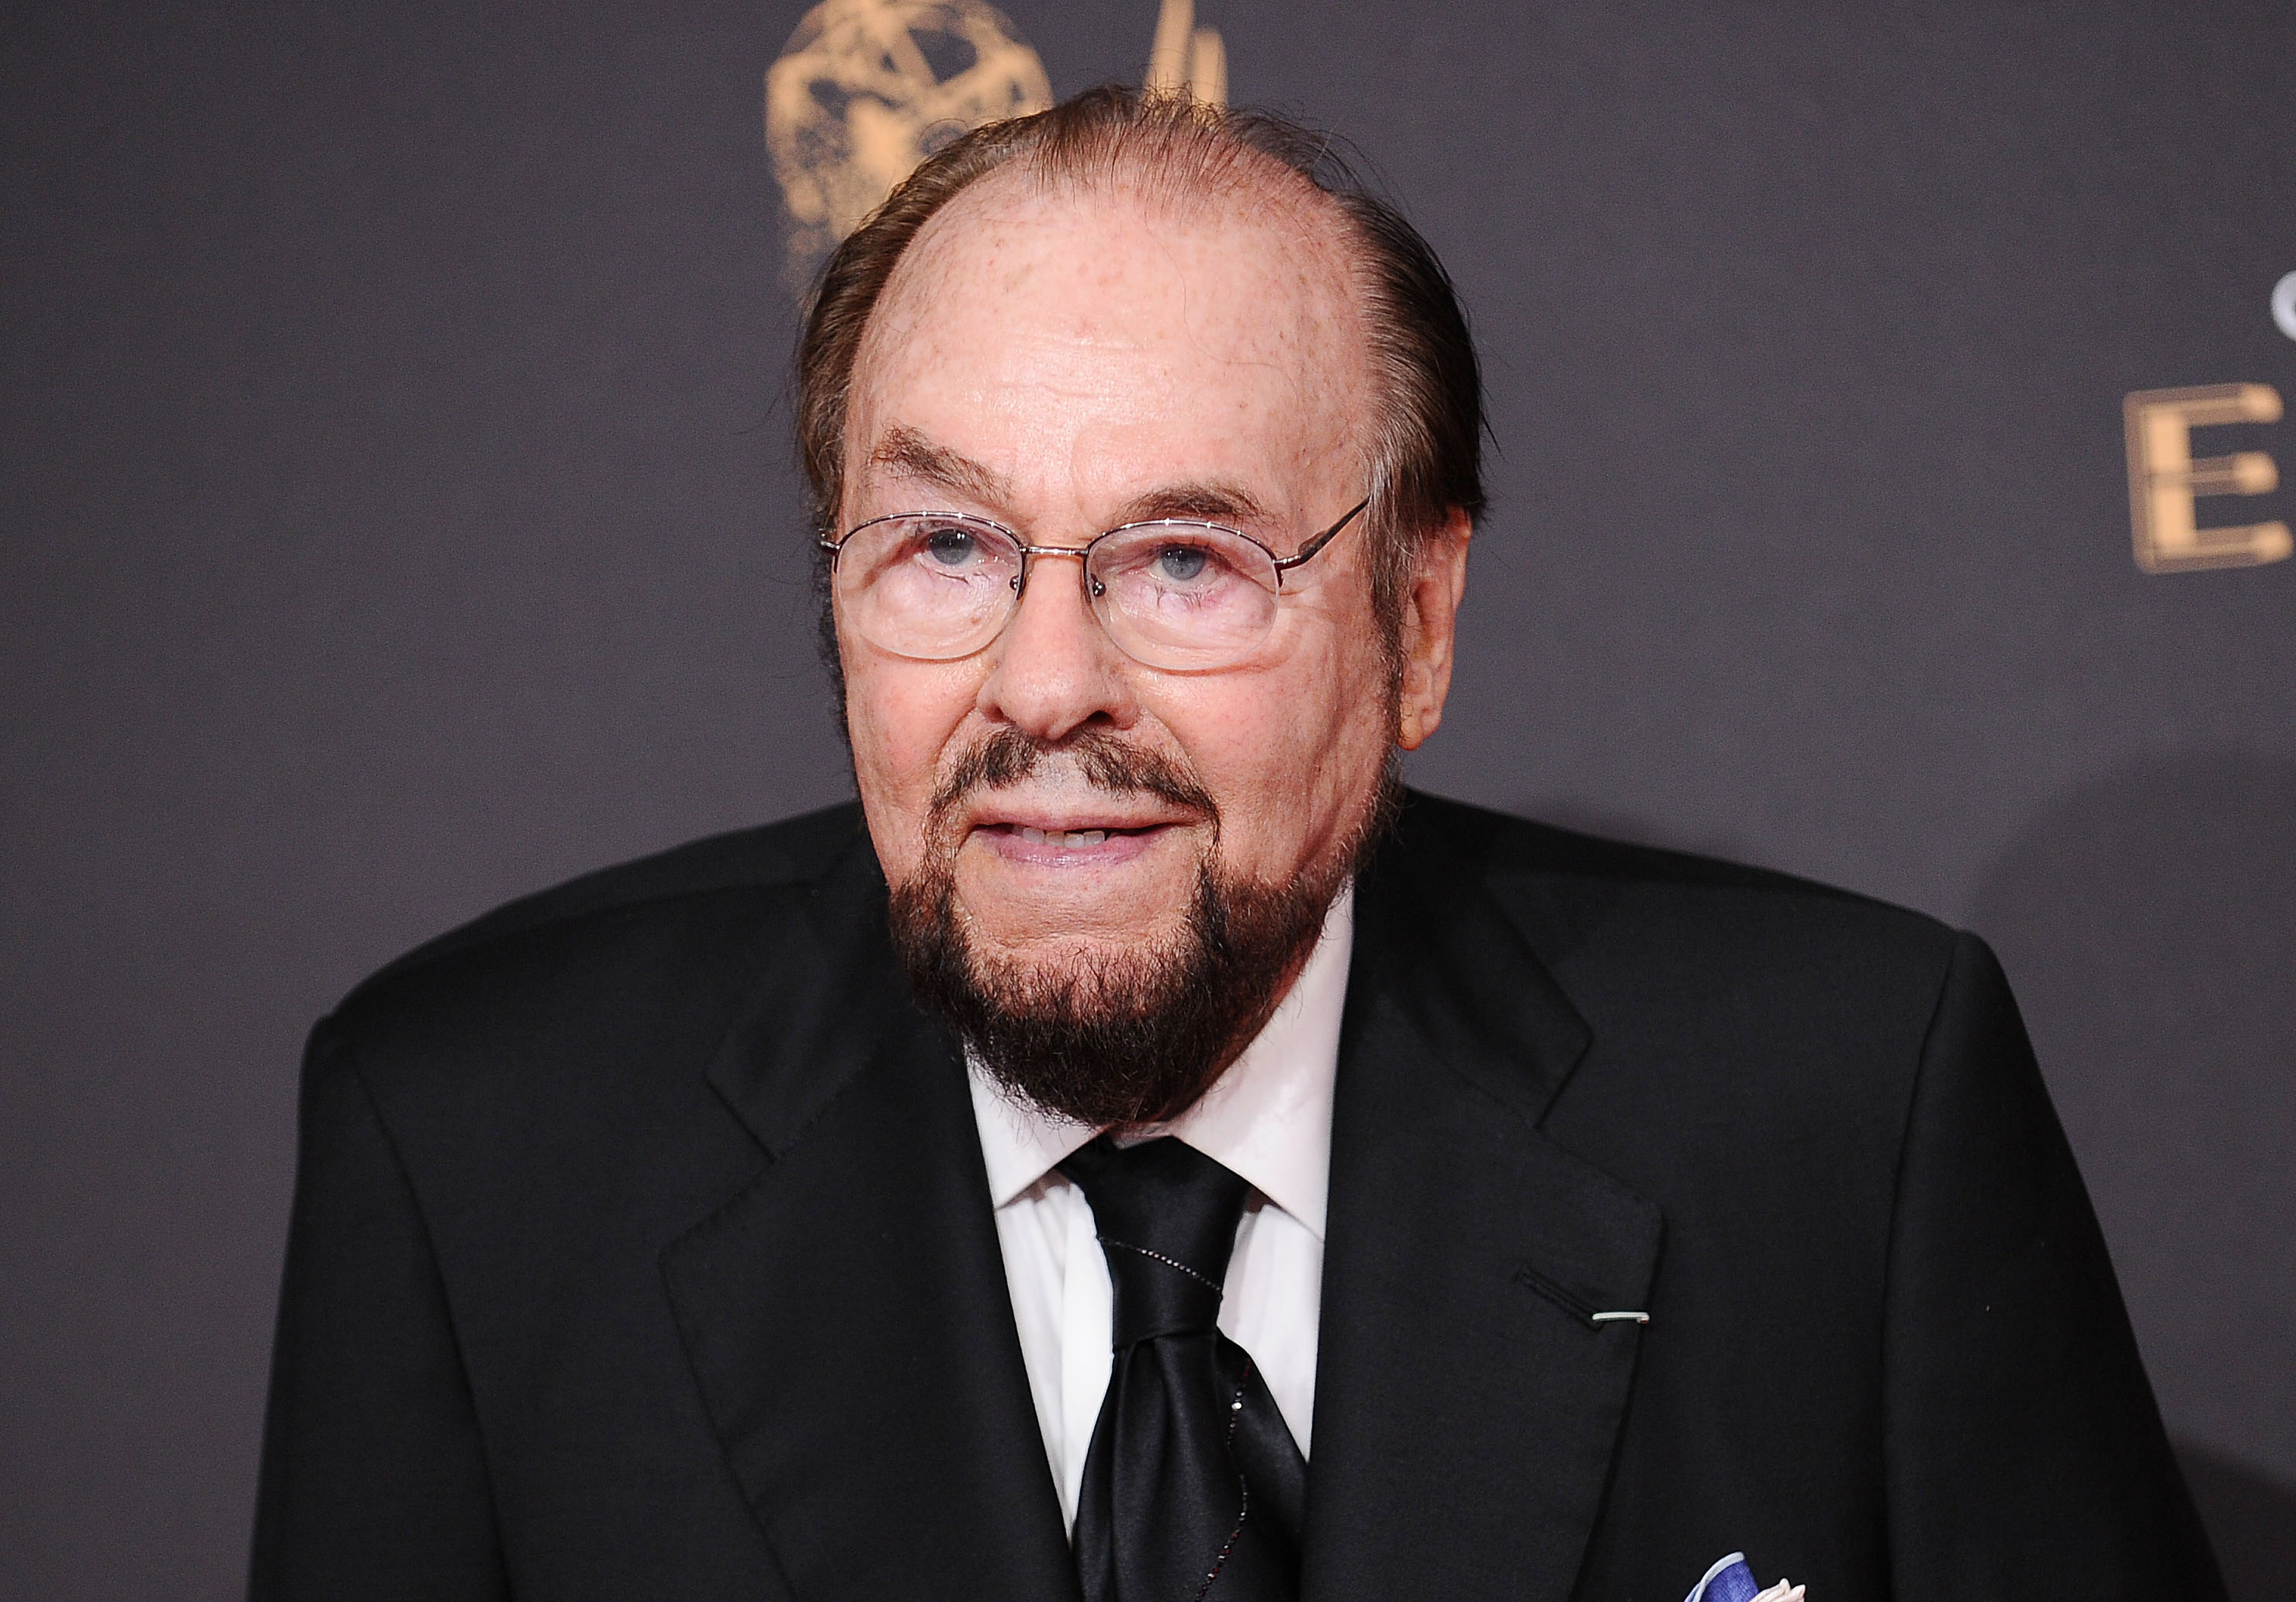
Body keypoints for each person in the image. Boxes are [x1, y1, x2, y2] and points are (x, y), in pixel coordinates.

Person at [248, 87, 2221, 1602]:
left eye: (1184, 560)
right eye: (944, 545)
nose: (1042, 690)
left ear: (1419, 624)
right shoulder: (477, 1149)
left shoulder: (1845, 1109)